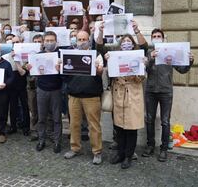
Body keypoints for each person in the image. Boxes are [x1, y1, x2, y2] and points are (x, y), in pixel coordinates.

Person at [142, 29, 194, 162]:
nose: (156, 38)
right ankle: (150, 145)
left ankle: (164, 149)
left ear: (163, 39)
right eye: (154, 36)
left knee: (165, 121)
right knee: (149, 119)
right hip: (150, 91)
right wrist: (151, 58)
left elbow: (182, 70)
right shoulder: (148, 53)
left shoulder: (170, 52)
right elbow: (144, 70)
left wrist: (189, 61)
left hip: (166, 91)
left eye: (159, 36)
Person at [105, 34, 147, 169]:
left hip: (132, 95)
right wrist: (108, 62)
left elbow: (141, 78)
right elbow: (110, 75)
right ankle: (120, 153)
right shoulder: (115, 56)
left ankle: (128, 155)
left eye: (129, 41)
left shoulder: (139, 56)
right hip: (118, 93)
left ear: (133, 43)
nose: (126, 43)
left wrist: (142, 65)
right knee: (119, 127)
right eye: (124, 41)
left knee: (131, 127)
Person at [63, 30, 104, 165]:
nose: (81, 42)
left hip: (91, 96)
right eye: (79, 39)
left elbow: (100, 72)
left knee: (94, 125)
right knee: (74, 124)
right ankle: (75, 148)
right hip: (74, 95)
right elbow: (65, 76)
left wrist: (98, 70)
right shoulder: (70, 55)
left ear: (89, 40)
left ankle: (97, 151)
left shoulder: (96, 55)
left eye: (84, 39)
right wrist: (60, 68)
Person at [26, 31, 63, 153]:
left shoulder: (61, 55)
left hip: (56, 90)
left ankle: (57, 141)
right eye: (47, 41)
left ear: (56, 41)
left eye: (52, 40)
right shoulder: (38, 55)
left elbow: (66, 74)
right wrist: (29, 68)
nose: (49, 43)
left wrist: (61, 69)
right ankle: (41, 140)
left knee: (57, 118)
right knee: (41, 118)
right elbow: (33, 72)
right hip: (41, 89)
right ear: (43, 42)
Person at [3, 36, 30, 136]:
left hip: (22, 84)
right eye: (13, 42)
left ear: (22, 42)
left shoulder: (26, 56)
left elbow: (23, 72)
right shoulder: (6, 56)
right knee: (13, 106)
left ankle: (26, 127)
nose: (15, 44)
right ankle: (13, 126)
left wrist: (17, 60)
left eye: (17, 42)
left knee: (24, 106)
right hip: (11, 84)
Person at [27, 34, 43, 141]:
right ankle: (34, 130)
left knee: (46, 111)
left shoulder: (47, 54)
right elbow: (23, 69)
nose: (37, 44)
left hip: (44, 85)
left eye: (39, 41)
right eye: (35, 42)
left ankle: (45, 131)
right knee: (33, 109)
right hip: (31, 85)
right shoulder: (28, 54)